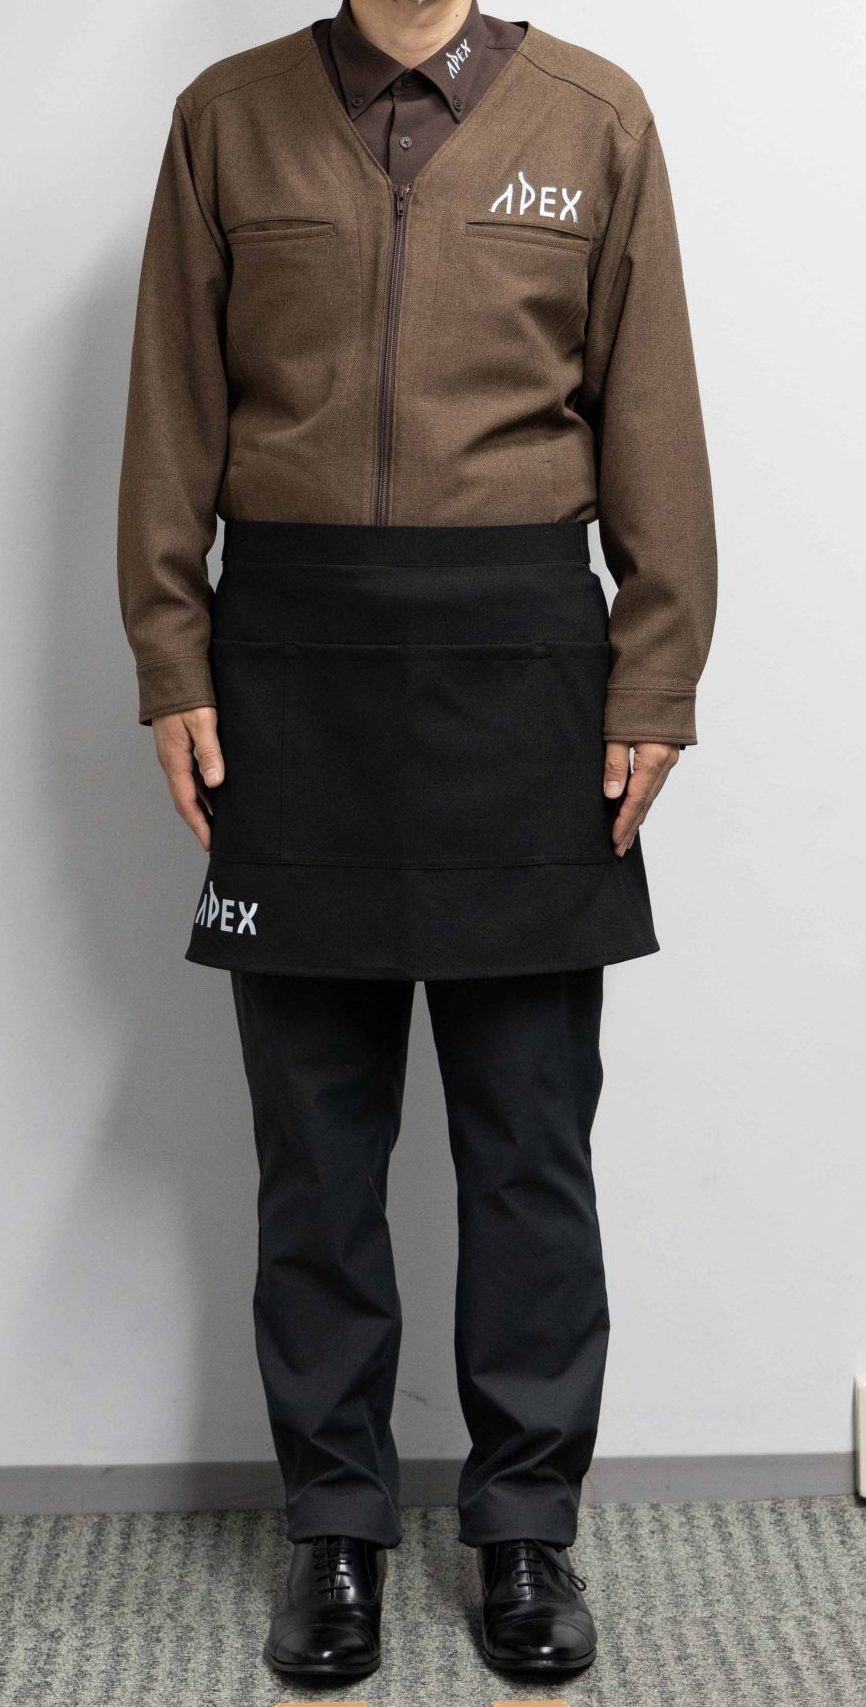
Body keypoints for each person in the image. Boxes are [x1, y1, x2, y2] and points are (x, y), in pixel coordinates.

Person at [116, 0, 717, 1682]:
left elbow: (652, 410)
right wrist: (171, 658)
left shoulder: (595, 117)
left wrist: (654, 676)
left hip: (527, 676)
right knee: (314, 1148)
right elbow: (168, 408)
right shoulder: (225, 117)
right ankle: (334, 1532)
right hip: (289, 671)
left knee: (527, 1143)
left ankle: (524, 1531)